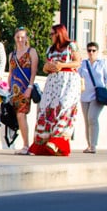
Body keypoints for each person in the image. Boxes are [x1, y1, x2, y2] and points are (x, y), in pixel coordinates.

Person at [29, 24, 81, 156]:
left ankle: (57, 140)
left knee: (64, 106)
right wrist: (48, 67)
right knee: (47, 108)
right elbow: (45, 67)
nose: (51, 36)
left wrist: (62, 65)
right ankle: (44, 141)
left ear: (59, 34)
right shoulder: (50, 49)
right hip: (53, 81)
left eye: (52, 34)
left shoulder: (71, 45)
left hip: (68, 80)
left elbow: (78, 62)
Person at [7, 28, 38, 154]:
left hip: (25, 88)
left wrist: (30, 88)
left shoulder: (31, 52)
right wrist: (8, 89)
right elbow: (10, 73)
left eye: (22, 37)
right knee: (17, 117)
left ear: (26, 38)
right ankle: (23, 144)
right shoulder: (12, 54)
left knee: (21, 114)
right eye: (18, 37)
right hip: (14, 89)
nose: (20, 40)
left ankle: (26, 145)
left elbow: (34, 71)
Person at [79, 42, 107, 153]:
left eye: (93, 50)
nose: (91, 53)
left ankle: (93, 145)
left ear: (97, 52)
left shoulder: (102, 63)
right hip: (85, 96)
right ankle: (89, 145)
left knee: (92, 118)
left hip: (97, 96)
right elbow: (77, 77)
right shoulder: (83, 64)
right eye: (89, 50)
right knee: (87, 121)